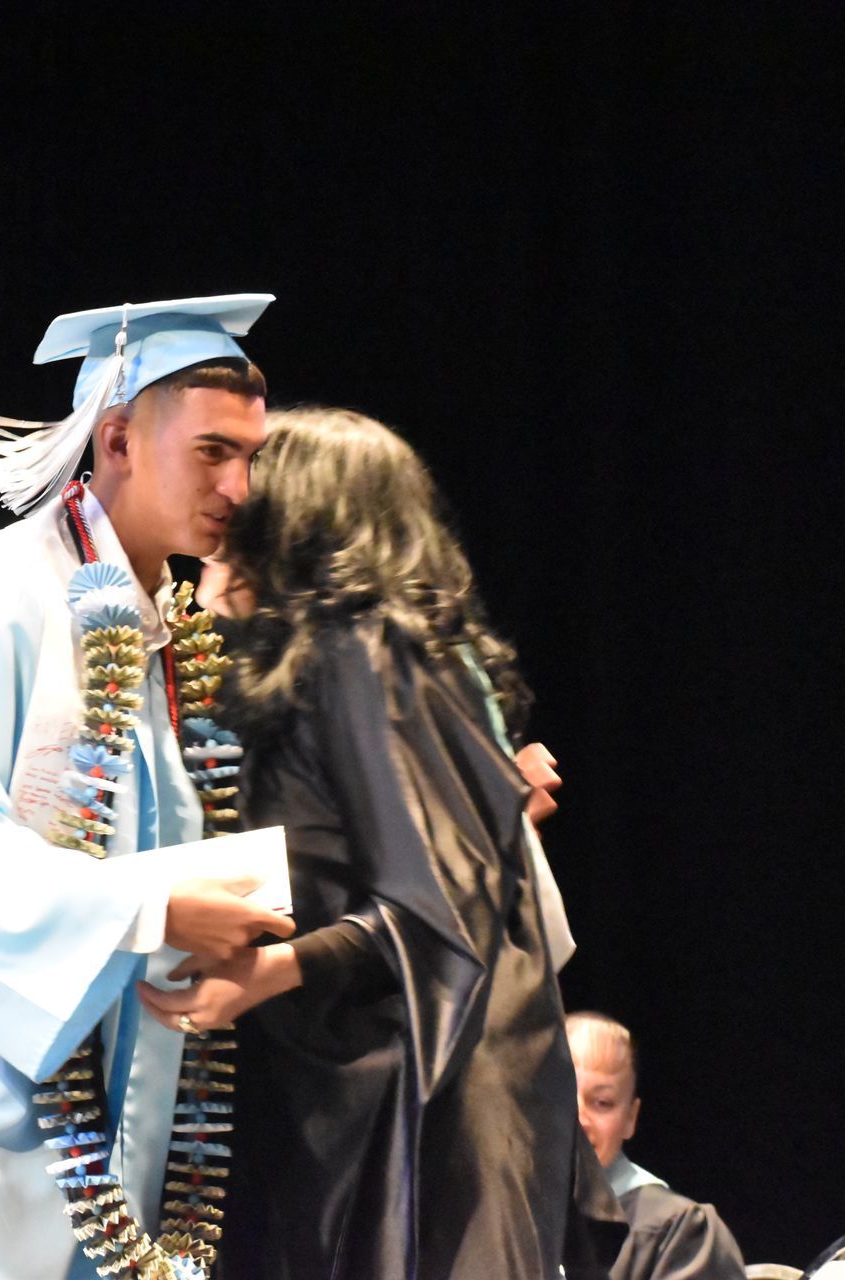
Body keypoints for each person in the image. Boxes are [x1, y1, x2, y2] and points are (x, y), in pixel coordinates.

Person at [0, 294, 298, 1280]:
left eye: (251, 456)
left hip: (114, 1118)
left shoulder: (167, 632)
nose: (240, 486)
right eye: (213, 452)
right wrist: (157, 909)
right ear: (116, 440)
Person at [135, 407, 623, 1279]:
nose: (226, 502)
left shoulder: (372, 653)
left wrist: (274, 970)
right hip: (337, 1081)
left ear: (300, 519)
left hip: (431, 1098)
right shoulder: (295, 667)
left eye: (250, 486)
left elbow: (442, 907)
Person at [565, 1012, 748, 1280]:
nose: (579, 1119)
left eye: (602, 1103)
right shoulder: (511, 1219)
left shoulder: (677, 1233)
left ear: (630, 1118)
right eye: (561, 1096)